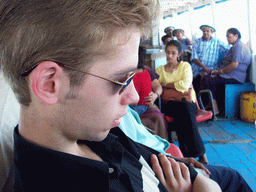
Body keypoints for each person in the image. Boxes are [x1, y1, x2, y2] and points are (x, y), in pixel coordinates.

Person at [0, 0, 221, 191]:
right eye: (122, 80)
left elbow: (198, 179)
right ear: (50, 84)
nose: (134, 96)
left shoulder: (98, 131)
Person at [156, 40, 208, 164]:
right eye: (168, 52)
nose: (170, 56)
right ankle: (201, 155)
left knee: (184, 111)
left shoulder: (185, 66)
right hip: (169, 104)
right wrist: (174, 87)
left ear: (179, 54)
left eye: (173, 53)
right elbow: (159, 87)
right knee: (184, 110)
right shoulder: (160, 70)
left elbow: (185, 85)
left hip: (188, 102)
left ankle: (187, 156)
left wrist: (166, 86)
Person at [200, 28, 252, 115]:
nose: (227, 38)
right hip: (230, 75)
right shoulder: (235, 46)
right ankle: (210, 103)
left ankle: (215, 109)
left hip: (235, 77)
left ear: (236, 36)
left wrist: (219, 72)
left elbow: (234, 65)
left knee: (210, 80)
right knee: (205, 76)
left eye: (229, 36)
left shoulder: (239, 46)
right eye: (226, 36)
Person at [130, 46, 167, 139]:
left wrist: (155, 95)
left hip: (147, 103)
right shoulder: (123, 70)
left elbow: (158, 87)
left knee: (157, 116)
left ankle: (160, 145)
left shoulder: (146, 70)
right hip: (129, 104)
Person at [191, 24, 229, 93]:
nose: (205, 32)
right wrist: (204, 68)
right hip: (197, 69)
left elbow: (227, 49)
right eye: (204, 31)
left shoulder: (217, 41)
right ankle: (198, 99)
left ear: (212, 32)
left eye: (207, 31)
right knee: (196, 85)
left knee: (210, 83)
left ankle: (207, 100)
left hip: (211, 69)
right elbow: (194, 58)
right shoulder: (197, 42)